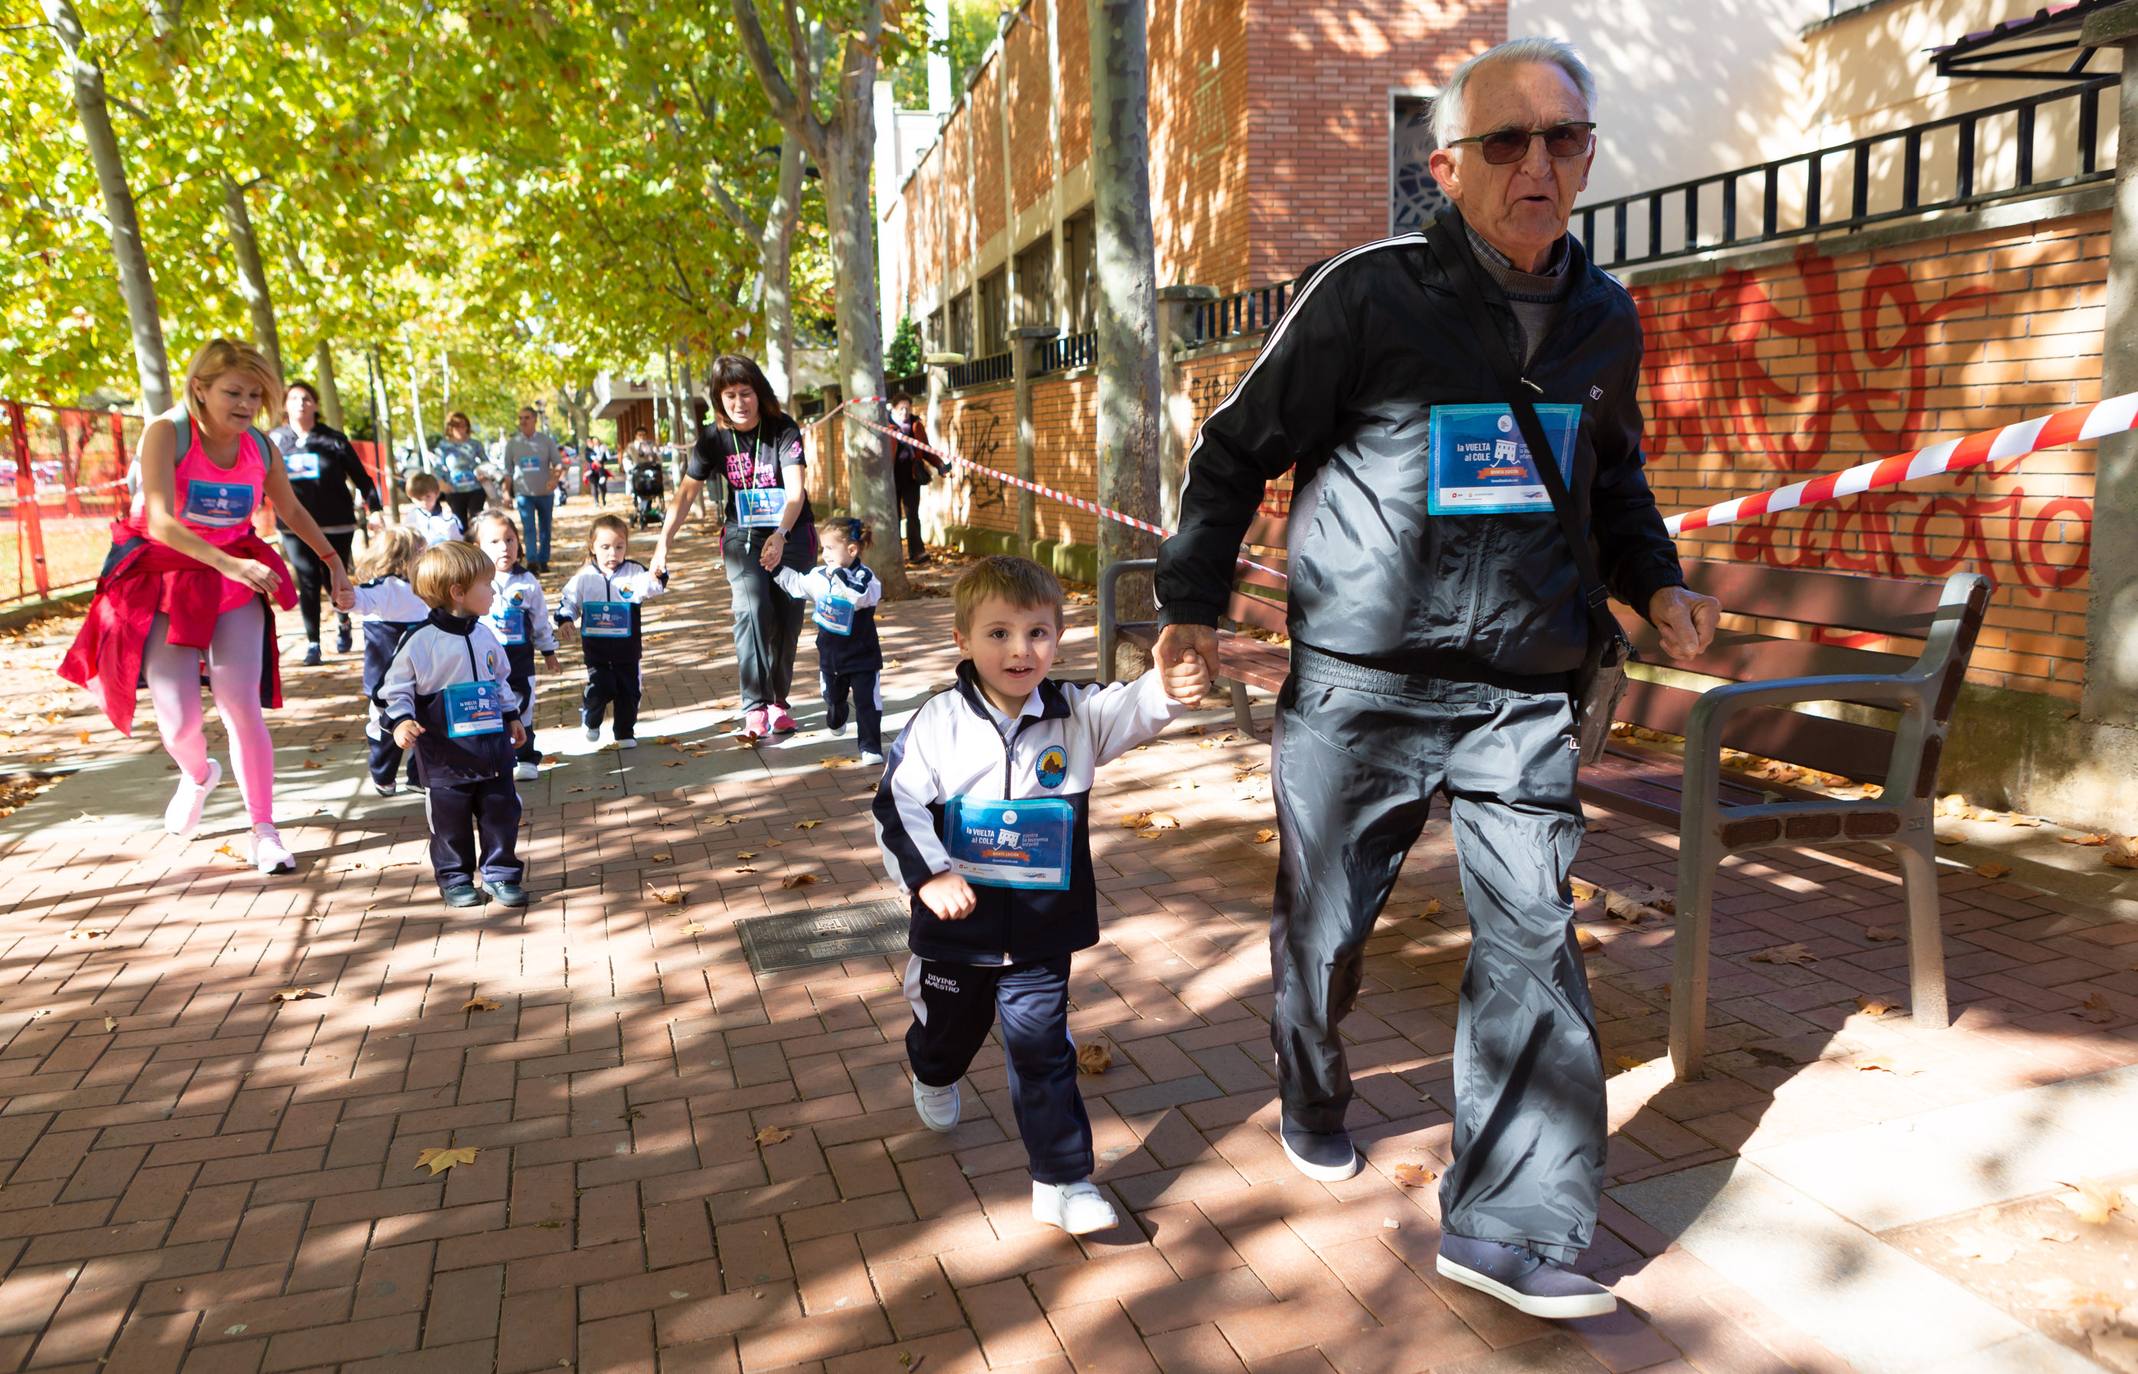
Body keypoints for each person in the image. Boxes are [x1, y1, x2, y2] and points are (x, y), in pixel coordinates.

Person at [1151, 37, 1721, 1321]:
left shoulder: (1604, 315)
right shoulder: (1366, 295)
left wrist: (1656, 580)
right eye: (1507, 141)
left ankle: (1508, 1225)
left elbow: (1609, 475)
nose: (1538, 163)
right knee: (1327, 927)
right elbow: (1236, 449)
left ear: (1584, 155)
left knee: (1530, 938)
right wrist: (1189, 603)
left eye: (1562, 137)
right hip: (1359, 687)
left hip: (1521, 688)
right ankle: (1309, 1082)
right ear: (1446, 165)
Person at [873, 557, 1209, 1235]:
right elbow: (895, 805)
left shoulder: (1076, 715)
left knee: (1042, 1046)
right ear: (962, 640)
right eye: (998, 633)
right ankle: (932, 1071)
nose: (1019, 650)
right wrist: (930, 875)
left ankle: (1062, 1180)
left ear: (1058, 638)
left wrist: (1168, 686)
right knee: (949, 1035)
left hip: (1038, 930)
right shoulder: (937, 723)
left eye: (1037, 633)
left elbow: (1135, 706)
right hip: (955, 931)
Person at [59, 337, 355, 875]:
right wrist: (229, 562)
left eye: (255, 395)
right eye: (233, 393)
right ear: (200, 388)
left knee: (239, 702)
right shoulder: (166, 433)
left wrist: (333, 561)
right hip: (167, 578)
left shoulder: (260, 447)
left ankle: (264, 829)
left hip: (232, 587)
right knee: (177, 723)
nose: (245, 405)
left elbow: (287, 506)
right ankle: (198, 775)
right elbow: (164, 523)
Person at [653, 355, 814, 740]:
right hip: (743, 535)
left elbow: (796, 491)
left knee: (786, 622)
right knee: (751, 609)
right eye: (730, 396)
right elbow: (686, 494)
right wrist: (662, 545)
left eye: (746, 393)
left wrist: (780, 535)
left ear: (759, 393)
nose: (739, 402)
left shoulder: (783, 429)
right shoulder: (712, 439)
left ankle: (779, 702)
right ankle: (755, 707)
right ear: (718, 399)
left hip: (791, 533)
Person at [380, 540, 528, 909]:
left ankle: (501, 873)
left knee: (501, 812)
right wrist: (400, 722)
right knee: (450, 824)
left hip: (493, 751)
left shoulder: (485, 634)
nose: (493, 591)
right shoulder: (418, 642)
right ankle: (455, 878)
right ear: (458, 592)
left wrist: (511, 716)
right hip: (445, 757)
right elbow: (391, 690)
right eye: (486, 584)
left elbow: (500, 680)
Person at [268, 380, 380, 665]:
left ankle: (343, 621)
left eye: (306, 398)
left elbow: (361, 477)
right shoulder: (275, 440)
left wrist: (374, 507)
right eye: (294, 398)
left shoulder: (333, 439)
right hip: (294, 527)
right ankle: (314, 643)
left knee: (335, 577)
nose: (301, 403)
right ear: (284, 405)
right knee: (307, 580)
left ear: (316, 404)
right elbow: (259, 477)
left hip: (336, 524)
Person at [773, 518, 886, 764]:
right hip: (832, 657)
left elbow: (859, 597)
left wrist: (840, 576)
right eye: (823, 548)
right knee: (833, 698)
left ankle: (870, 747)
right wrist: (775, 568)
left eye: (831, 549)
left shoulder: (867, 577)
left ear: (852, 550)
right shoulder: (818, 576)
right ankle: (837, 714)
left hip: (863, 655)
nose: (825, 555)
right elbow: (797, 584)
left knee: (868, 702)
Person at [555, 515, 668, 749]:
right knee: (601, 687)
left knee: (629, 691)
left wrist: (658, 574)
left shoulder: (634, 572)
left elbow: (653, 586)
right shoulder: (584, 577)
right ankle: (591, 717)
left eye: (619, 547)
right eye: (605, 547)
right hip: (597, 651)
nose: (612, 554)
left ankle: (625, 731)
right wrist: (566, 620)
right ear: (592, 547)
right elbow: (569, 602)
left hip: (627, 651)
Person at [473, 512, 560, 782]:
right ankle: (495, 757)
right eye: (495, 541)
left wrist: (548, 651)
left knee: (523, 709)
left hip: (520, 661)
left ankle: (526, 756)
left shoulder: (527, 582)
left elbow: (540, 620)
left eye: (510, 540)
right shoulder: (474, 581)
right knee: (489, 708)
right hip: (484, 662)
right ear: (478, 548)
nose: (504, 548)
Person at [349, 526, 430, 795]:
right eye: (422, 551)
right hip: (396, 675)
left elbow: (354, 601)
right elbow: (357, 599)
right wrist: (345, 598)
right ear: (407, 556)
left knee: (403, 724)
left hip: (402, 677)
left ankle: (402, 776)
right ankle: (399, 775)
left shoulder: (419, 587)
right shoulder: (387, 588)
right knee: (400, 725)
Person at [885, 393, 948, 563]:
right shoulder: (885, 426)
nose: (905, 412)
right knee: (894, 517)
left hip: (911, 477)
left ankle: (917, 553)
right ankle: (894, 555)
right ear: (893, 408)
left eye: (907, 408)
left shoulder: (915, 425)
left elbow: (926, 449)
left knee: (913, 515)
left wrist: (940, 465)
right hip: (891, 479)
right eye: (901, 408)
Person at [501, 406, 562, 572]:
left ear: (535, 419)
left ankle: (544, 560)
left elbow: (558, 463)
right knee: (528, 528)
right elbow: (508, 470)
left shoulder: (546, 440)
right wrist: (506, 492)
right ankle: (532, 561)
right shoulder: (513, 443)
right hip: (523, 494)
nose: (523, 421)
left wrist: (554, 479)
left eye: (527, 417)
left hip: (545, 493)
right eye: (520, 418)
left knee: (545, 528)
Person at [431, 413, 488, 532]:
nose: (461, 429)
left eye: (464, 426)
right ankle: (463, 550)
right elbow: (437, 468)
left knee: (477, 523)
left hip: (475, 489)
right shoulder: (443, 446)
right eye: (457, 426)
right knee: (460, 525)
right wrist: (442, 484)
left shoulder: (475, 444)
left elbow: (485, 462)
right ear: (450, 428)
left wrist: (483, 472)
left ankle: (476, 549)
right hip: (454, 490)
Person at [404, 472, 463, 548]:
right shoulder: (412, 517)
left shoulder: (447, 517)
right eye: (418, 499)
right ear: (411, 498)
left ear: (437, 493)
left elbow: (458, 542)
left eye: (428, 496)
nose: (424, 502)